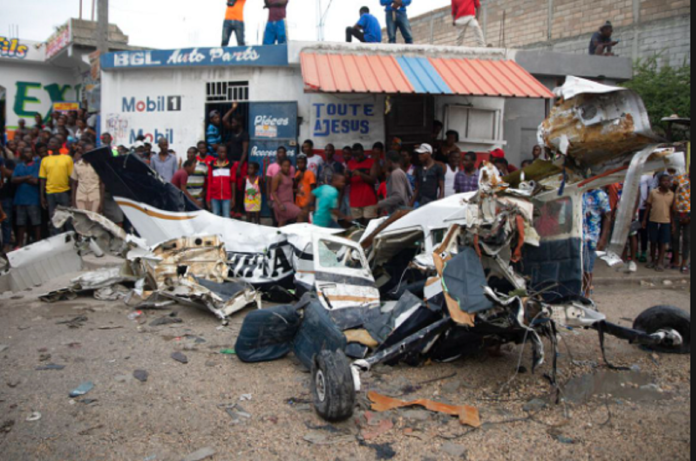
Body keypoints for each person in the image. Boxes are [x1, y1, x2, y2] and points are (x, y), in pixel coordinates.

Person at [40, 137, 74, 236]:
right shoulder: (45, 160)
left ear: (59, 145)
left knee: (67, 216)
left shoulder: (67, 158)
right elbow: (42, 179)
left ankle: (69, 236)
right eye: (50, 142)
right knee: (53, 217)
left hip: (64, 192)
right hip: (50, 192)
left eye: (53, 142)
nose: (50, 143)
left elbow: (71, 178)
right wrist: (42, 196)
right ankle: (56, 237)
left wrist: (72, 194)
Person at [643, 174, 675, 272]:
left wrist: (673, 224)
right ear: (659, 182)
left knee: (662, 243)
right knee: (653, 241)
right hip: (653, 220)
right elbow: (648, 207)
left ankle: (660, 262)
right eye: (664, 181)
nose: (666, 183)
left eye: (668, 181)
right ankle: (652, 260)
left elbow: (671, 210)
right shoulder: (653, 192)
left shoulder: (671, 194)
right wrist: (644, 219)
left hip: (665, 221)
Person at [582, 188, 611, 297]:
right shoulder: (578, 191)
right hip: (576, 235)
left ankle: (587, 293)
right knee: (577, 266)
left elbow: (607, 216)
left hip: (591, 237)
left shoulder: (600, 194)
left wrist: (603, 238)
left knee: (587, 267)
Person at [11, 148, 42, 248]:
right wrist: (27, 177)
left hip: (33, 198)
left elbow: (36, 181)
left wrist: (21, 178)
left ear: (33, 154)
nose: (27, 154)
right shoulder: (19, 166)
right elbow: (13, 179)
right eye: (25, 152)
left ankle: (38, 242)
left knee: (36, 222)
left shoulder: (37, 166)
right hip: (20, 199)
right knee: (20, 223)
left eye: (29, 152)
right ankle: (19, 243)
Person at [346, 143, 378, 224]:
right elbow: (346, 182)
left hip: (369, 200)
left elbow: (373, 180)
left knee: (369, 226)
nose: (357, 157)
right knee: (358, 227)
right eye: (355, 155)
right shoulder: (350, 163)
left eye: (358, 155)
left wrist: (360, 174)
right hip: (354, 201)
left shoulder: (371, 162)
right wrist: (346, 176)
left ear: (363, 152)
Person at [378, 151, 412, 215]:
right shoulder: (400, 172)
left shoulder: (396, 173)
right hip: (400, 210)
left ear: (389, 162)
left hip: (398, 212)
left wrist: (380, 204)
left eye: (385, 162)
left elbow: (398, 196)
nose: (385, 164)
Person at [266, 146, 295, 220]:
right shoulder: (271, 166)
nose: (281, 154)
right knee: (275, 220)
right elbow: (268, 183)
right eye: (279, 152)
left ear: (286, 154)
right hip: (274, 198)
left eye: (283, 152)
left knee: (286, 219)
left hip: (286, 199)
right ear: (277, 154)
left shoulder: (291, 168)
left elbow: (291, 183)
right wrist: (268, 198)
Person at [207, 145, 235, 218]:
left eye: (224, 152)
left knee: (226, 216)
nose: (223, 154)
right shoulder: (212, 164)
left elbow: (233, 182)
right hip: (214, 196)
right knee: (215, 216)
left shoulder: (230, 164)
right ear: (217, 152)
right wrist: (208, 198)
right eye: (221, 152)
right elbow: (209, 182)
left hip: (227, 196)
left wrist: (233, 198)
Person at [671, 166, 690, 273]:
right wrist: (673, 203)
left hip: (690, 214)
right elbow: (672, 190)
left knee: (687, 239)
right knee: (674, 237)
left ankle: (684, 263)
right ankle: (676, 261)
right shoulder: (680, 178)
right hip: (677, 212)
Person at [271, 158, 301, 227]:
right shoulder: (278, 176)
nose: (287, 168)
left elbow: (286, 188)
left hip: (289, 202)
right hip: (282, 203)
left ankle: (278, 237)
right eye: (285, 166)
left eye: (288, 166)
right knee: (300, 214)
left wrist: (297, 191)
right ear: (281, 166)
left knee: (282, 223)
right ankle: (299, 234)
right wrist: (279, 204)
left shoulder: (288, 176)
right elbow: (273, 192)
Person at [0, 154, 16, 251]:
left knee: (6, 221)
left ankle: (6, 245)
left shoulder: (8, 162)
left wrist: (2, 167)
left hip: (6, 196)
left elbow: (13, 174)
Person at [294, 155, 316, 222]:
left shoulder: (310, 173)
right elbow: (294, 187)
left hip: (307, 204)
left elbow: (314, 190)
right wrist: (297, 179)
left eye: (302, 163)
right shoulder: (297, 173)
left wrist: (312, 204)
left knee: (306, 223)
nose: (300, 165)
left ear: (306, 163)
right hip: (298, 204)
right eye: (298, 163)